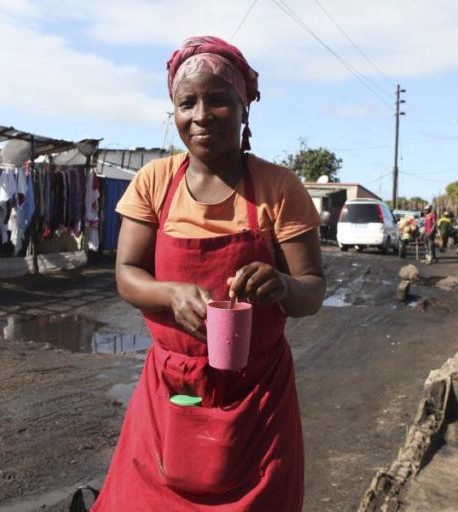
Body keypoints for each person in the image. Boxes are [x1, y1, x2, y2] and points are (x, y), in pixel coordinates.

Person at [92, 36, 325, 511]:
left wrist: (282, 286)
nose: (201, 114)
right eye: (187, 103)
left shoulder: (280, 187)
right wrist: (170, 294)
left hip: (258, 398)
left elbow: (312, 291)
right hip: (170, 392)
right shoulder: (154, 181)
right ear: (174, 112)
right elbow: (127, 274)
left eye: (218, 100)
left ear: (244, 109)